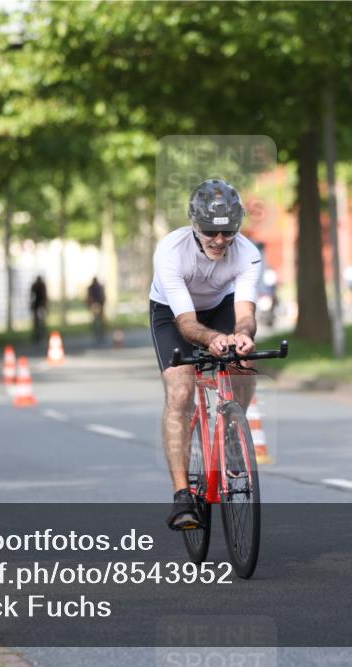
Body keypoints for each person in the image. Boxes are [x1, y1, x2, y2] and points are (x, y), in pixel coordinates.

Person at [150, 178, 260, 531]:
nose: (219, 240)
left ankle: (232, 434)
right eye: (211, 231)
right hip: (172, 313)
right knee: (180, 391)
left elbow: (245, 315)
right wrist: (212, 339)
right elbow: (186, 322)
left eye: (228, 232)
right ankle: (182, 495)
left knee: (245, 361)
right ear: (195, 225)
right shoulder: (171, 251)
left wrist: (241, 337)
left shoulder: (247, 253)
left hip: (219, 306)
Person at [87, 276, 106, 342]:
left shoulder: (92, 287)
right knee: (99, 319)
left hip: (96, 304)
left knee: (97, 319)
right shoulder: (98, 287)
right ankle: (99, 331)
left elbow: (89, 297)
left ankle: (99, 331)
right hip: (97, 304)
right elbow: (102, 296)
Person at [30, 276, 48, 344]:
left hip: (41, 304)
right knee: (36, 320)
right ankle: (37, 334)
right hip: (37, 305)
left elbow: (44, 296)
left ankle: (42, 332)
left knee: (41, 320)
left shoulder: (42, 285)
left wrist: (44, 304)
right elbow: (32, 295)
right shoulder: (35, 286)